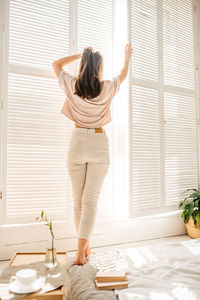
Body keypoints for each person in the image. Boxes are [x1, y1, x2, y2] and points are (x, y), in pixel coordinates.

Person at [52, 44, 133, 265]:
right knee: (90, 201)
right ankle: (81, 253)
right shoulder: (106, 88)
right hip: (98, 143)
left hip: (77, 142)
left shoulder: (71, 84)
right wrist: (126, 58)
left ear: (83, 65)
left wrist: (82, 55)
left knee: (78, 202)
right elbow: (123, 75)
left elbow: (56, 65)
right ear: (99, 68)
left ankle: (83, 251)